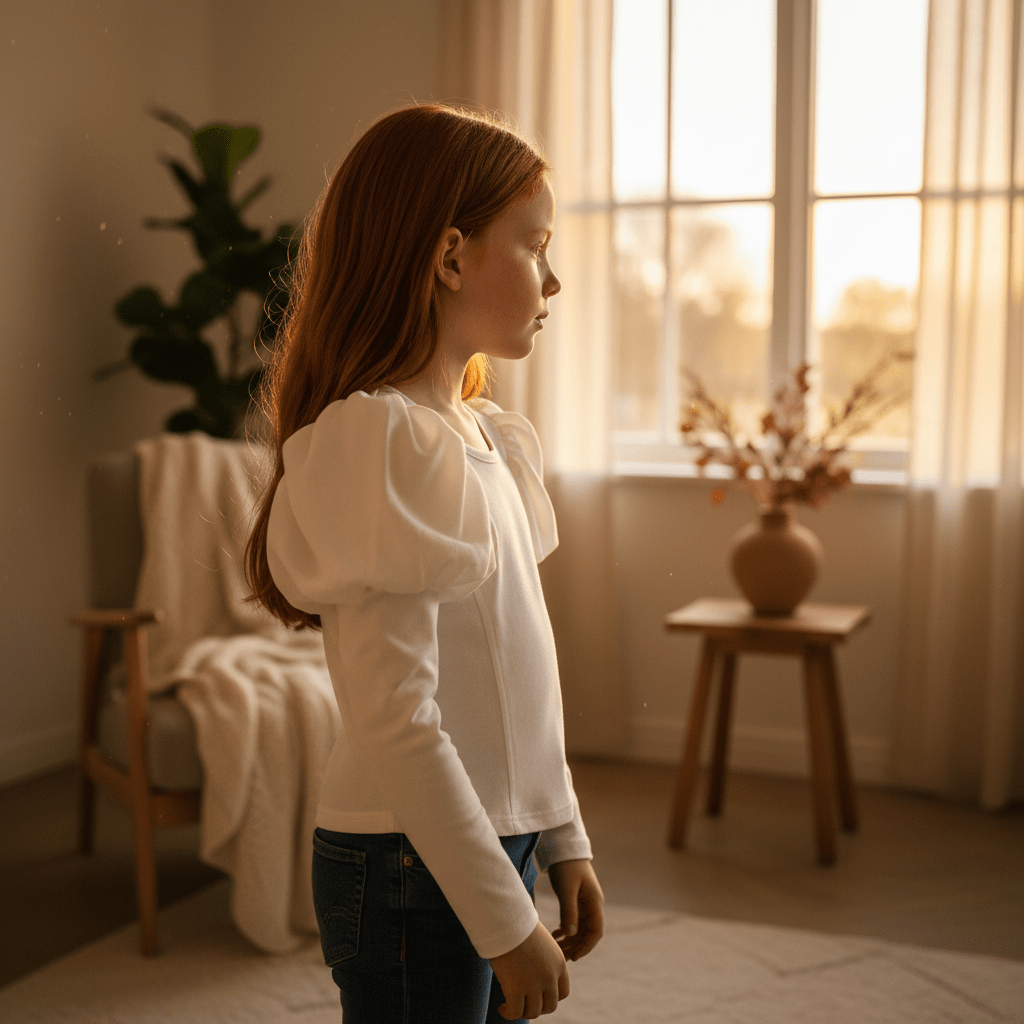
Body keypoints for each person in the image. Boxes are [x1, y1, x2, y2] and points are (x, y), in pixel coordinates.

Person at [244, 102, 604, 1023]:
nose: (554, 278)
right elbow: (398, 717)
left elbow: (517, 676)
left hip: (478, 841)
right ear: (450, 257)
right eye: (535, 246)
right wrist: (503, 920)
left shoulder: (481, 437)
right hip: (408, 859)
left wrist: (560, 834)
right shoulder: (384, 447)